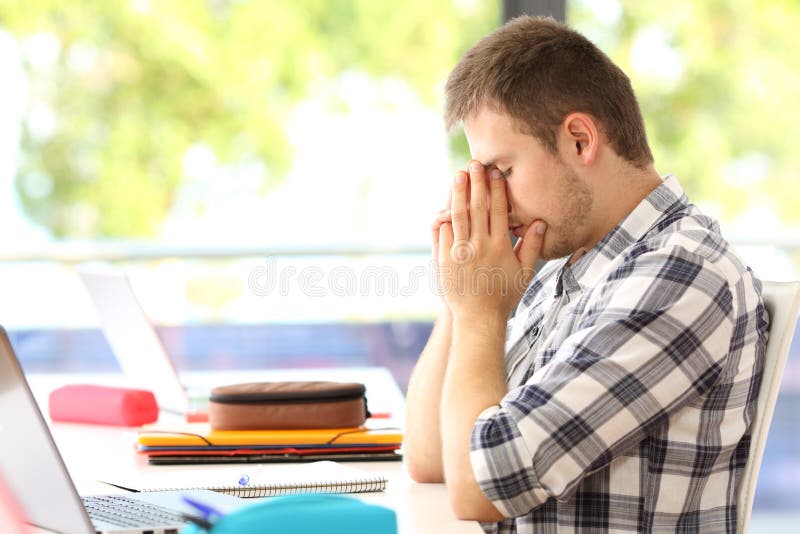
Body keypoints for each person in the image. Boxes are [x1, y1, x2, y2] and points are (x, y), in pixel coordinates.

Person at [404, 15, 768, 534]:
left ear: (579, 140)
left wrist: (481, 312)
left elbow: (478, 487)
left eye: (503, 171)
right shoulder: (569, 270)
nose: (494, 199)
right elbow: (430, 459)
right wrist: (463, 295)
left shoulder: (680, 275)